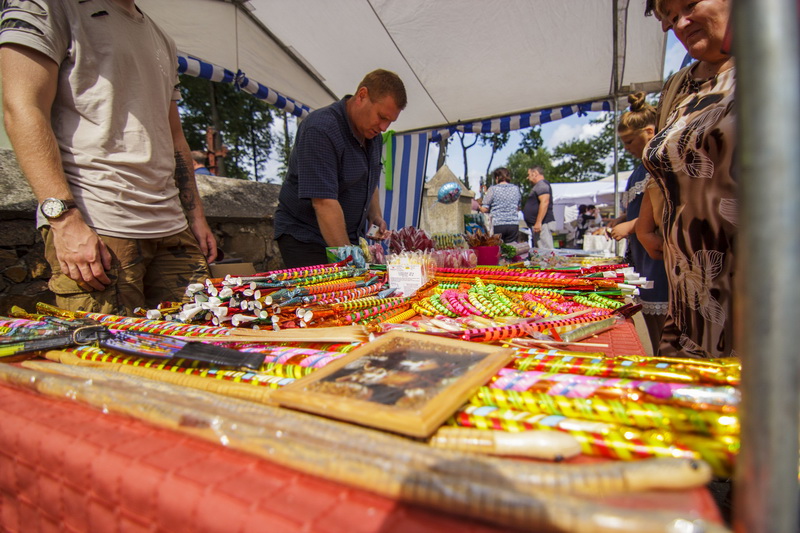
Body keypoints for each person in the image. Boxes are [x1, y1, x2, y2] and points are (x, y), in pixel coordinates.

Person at [0, 0, 217, 315]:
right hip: (98, 223)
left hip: (172, 226)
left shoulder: (161, 38)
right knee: (107, 345)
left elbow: (174, 136)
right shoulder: (49, 5)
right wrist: (64, 220)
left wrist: (196, 217)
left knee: (204, 337)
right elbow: (22, 108)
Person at [637, 0, 736, 359]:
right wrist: (646, 224)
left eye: (690, 4)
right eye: (670, 16)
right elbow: (664, 165)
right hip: (689, 292)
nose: (680, 23)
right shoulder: (680, 84)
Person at [274, 69, 407, 268]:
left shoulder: (373, 137)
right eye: (381, 117)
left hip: (346, 236)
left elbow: (369, 179)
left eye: (390, 121)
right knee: (333, 288)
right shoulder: (321, 129)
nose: (384, 127)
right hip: (306, 238)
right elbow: (324, 203)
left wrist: (375, 215)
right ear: (362, 95)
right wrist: (350, 263)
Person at [607, 92, 670, 355]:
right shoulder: (640, 168)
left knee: (663, 324)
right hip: (643, 254)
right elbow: (641, 206)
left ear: (649, 131)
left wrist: (631, 226)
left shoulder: (660, 162)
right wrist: (623, 219)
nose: (627, 148)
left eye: (630, 141)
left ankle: (664, 363)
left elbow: (661, 211)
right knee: (650, 317)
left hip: (656, 257)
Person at [480, 167, 522, 243]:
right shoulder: (516, 189)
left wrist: (478, 206)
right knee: (511, 248)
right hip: (513, 224)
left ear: (497, 178)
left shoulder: (493, 189)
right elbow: (518, 207)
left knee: (497, 248)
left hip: (497, 224)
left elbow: (485, 209)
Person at [522, 166, 556, 249]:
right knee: (540, 251)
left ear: (535, 173)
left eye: (529, 175)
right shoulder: (539, 186)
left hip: (543, 224)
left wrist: (538, 222)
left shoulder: (542, 185)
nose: (527, 178)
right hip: (540, 225)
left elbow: (545, 202)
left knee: (545, 251)